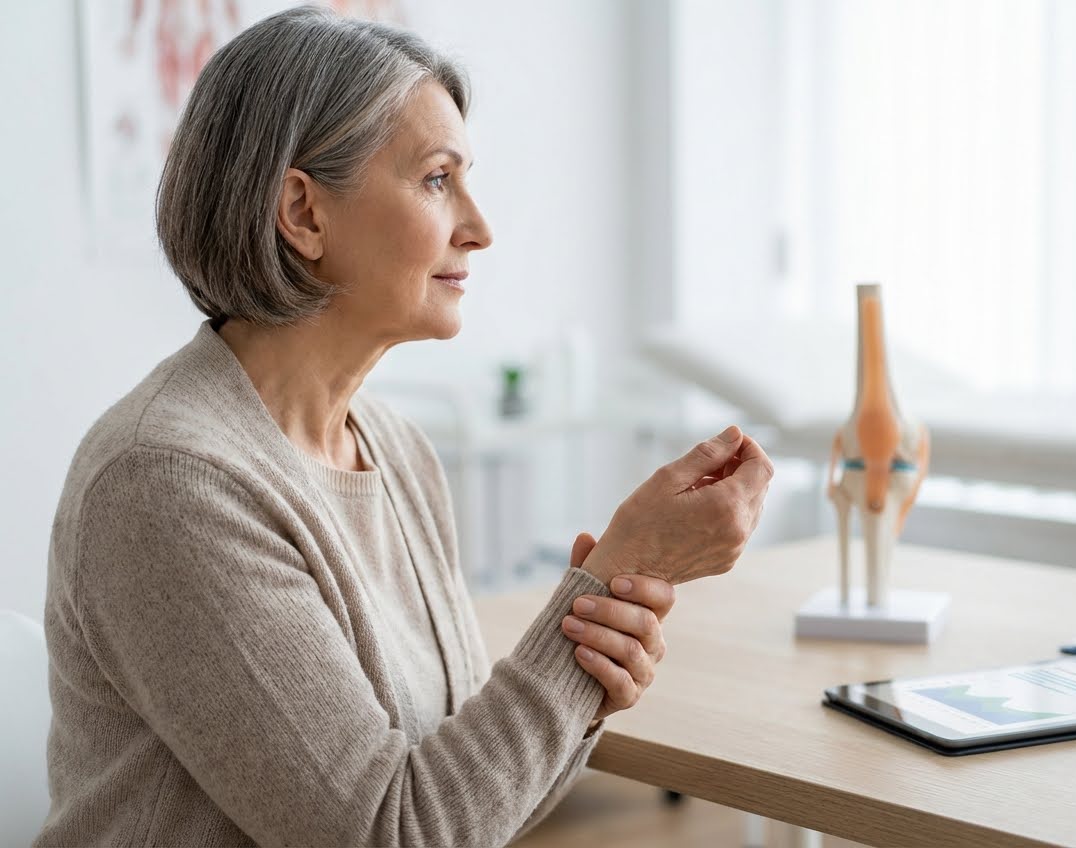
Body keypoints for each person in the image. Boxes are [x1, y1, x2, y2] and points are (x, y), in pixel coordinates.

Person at [35, 7, 773, 847]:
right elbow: (392, 834)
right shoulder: (167, 485)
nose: (480, 227)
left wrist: (589, 662)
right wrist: (619, 573)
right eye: (435, 179)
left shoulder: (398, 453)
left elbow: (472, 808)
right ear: (303, 214)